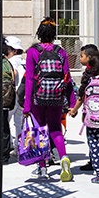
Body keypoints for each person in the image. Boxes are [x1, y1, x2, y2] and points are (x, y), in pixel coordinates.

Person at [22, 19, 75, 181]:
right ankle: (64, 158)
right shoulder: (61, 52)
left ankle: (42, 167)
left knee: (39, 130)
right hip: (57, 97)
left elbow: (30, 79)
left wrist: (26, 105)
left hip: (38, 98)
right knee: (55, 129)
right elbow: (67, 79)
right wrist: (72, 102)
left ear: (39, 33)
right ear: (54, 35)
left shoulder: (33, 52)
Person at [77, 46, 99, 183]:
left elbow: (84, 99)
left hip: (91, 121)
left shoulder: (88, 82)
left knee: (94, 145)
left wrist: (82, 115)